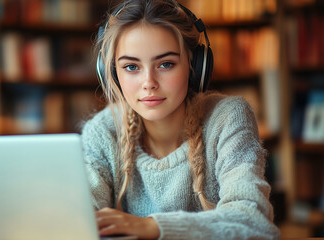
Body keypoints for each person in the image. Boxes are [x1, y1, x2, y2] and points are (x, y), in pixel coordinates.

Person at [81, 0, 280, 239]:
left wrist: (153, 227)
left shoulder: (228, 118)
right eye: (131, 67)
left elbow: (255, 220)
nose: (149, 82)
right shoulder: (103, 131)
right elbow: (78, 215)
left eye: (166, 64)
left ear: (195, 65)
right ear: (112, 72)